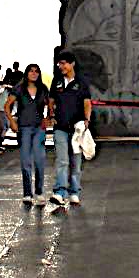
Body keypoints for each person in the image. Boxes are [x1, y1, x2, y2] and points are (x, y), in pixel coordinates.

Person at [48, 51, 92, 208]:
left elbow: (87, 103)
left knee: (75, 162)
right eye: (59, 64)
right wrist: (51, 114)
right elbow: (51, 100)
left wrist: (87, 120)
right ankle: (60, 192)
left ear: (72, 63)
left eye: (64, 63)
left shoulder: (82, 82)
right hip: (60, 127)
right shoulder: (57, 81)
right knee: (62, 160)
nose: (61, 66)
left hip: (77, 128)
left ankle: (74, 192)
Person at [5, 63, 51, 206]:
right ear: (27, 73)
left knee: (39, 160)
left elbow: (50, 104)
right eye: (31, 71)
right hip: (24, 127)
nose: (34, 73)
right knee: (25, 161)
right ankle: (27, 193)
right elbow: (7, 105)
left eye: (36, 71)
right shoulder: (19, 88)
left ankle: (38, 192)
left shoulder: (43, 89)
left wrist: (48, 117)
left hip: (39, 128)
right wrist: (12, 122)